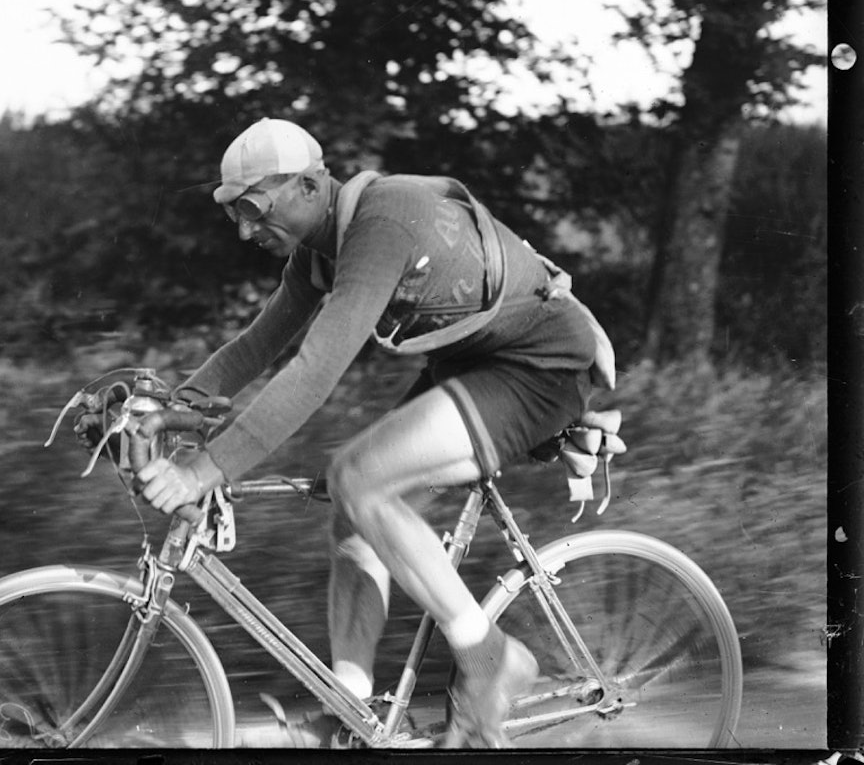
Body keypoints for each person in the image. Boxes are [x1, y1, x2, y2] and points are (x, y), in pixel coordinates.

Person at [135, 117, 611, 748]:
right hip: (474, 365)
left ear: (309, 185)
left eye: (254, 208)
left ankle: (493, 659)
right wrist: (171, 402)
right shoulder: (317, 254)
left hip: (539, 367)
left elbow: (312, 372)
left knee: (360, 478)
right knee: (351, 511)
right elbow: (259, 345)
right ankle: (350, 711)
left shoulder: (379, 225)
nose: (247, 229)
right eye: (235, 216)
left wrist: (204, 469)